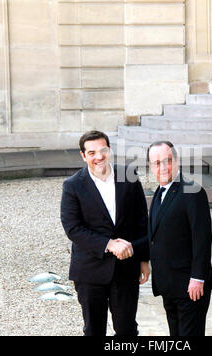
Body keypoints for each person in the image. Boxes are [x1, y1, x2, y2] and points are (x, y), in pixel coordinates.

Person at [60, 130, 150, 336]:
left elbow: (141, 221)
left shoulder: (129, 177)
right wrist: (109, 244)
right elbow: (73, 228)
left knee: (127, 330)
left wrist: (144, 258)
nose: (98, 156)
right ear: (83, 156)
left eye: (102, 150)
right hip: (90, 270)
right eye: (91, 153)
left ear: (109, 150)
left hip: (126, 269)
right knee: (93, 330)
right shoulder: (72, 185)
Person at [146, 141, 212, 336]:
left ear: (176, 161)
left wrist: (197, 278)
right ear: (151, 166)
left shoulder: (192, 192)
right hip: (169, 286)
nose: (162, 167)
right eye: (157, 163)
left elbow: (202, 238)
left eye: (167, 161)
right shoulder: (160, 193)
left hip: (190, 287)